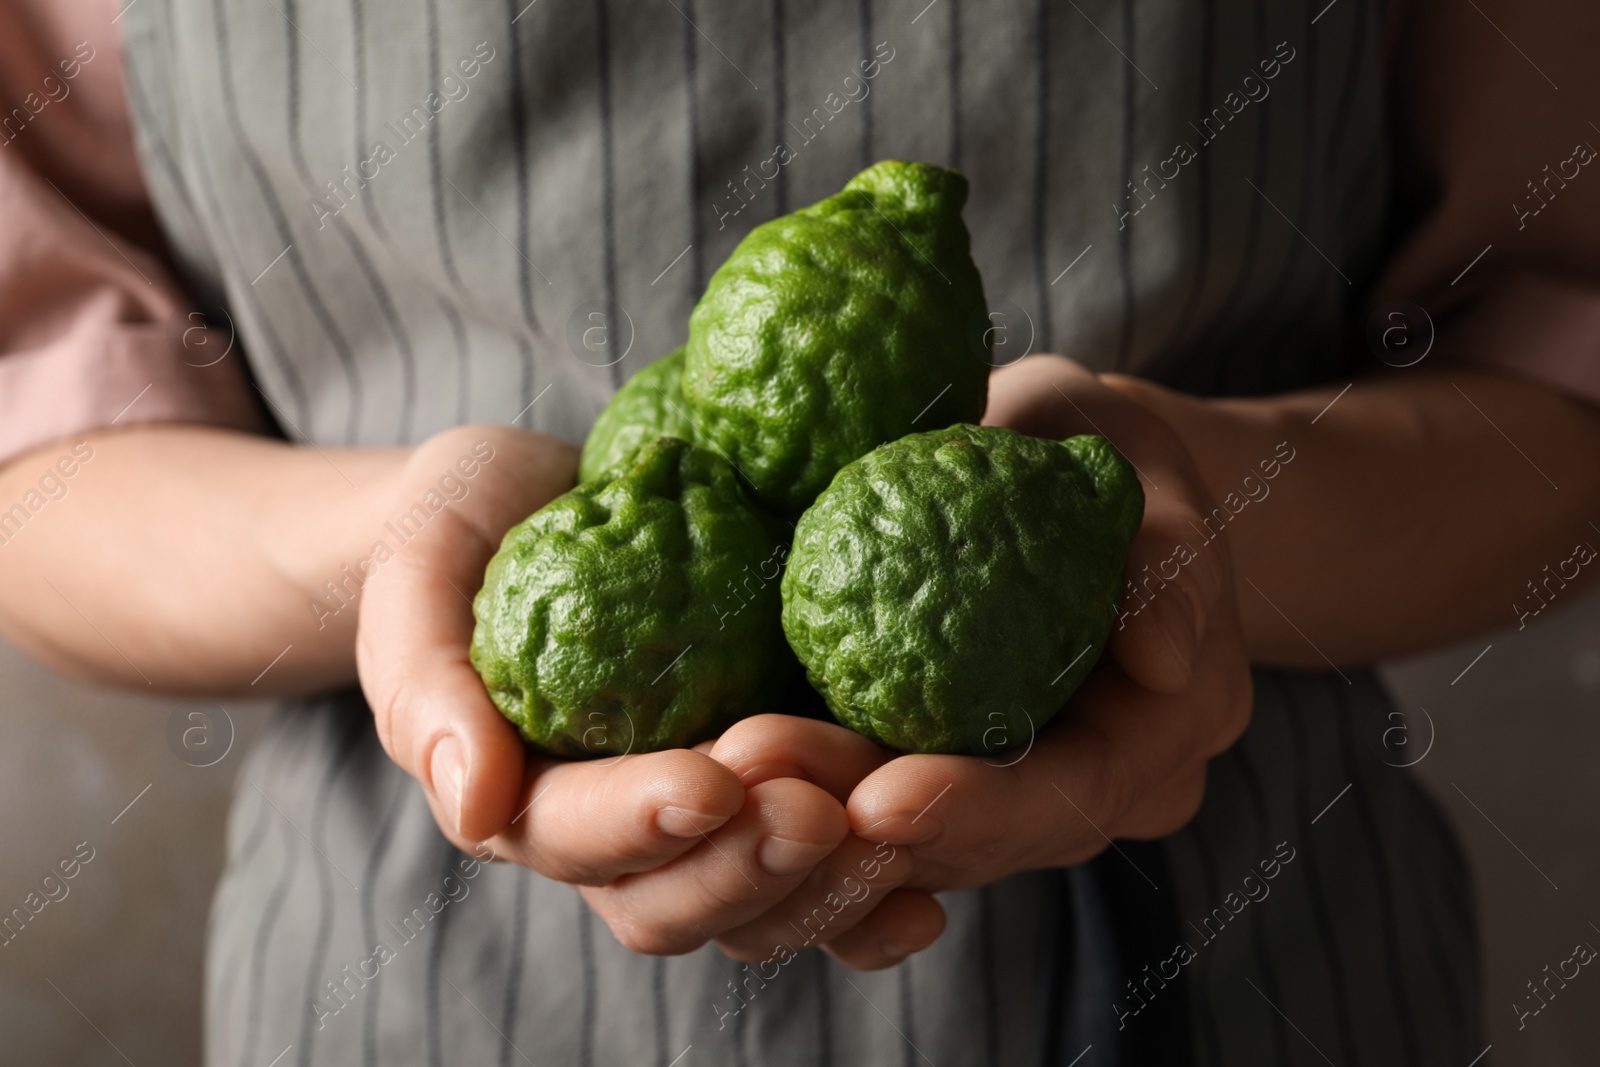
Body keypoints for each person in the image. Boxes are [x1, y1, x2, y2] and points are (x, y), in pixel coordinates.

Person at [3, 0, 1598, 1062]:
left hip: (1246, 963)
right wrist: (393, 546)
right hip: (406, 984)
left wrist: (1188, 504)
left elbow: (1558, 374)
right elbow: (38, 434)